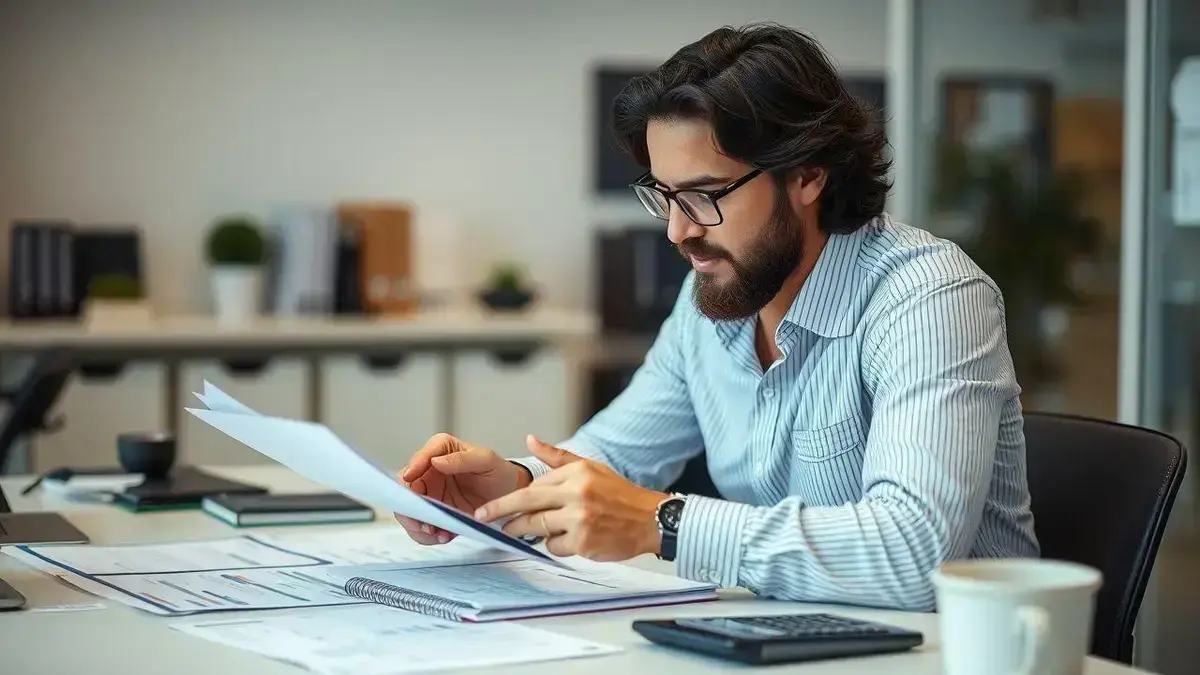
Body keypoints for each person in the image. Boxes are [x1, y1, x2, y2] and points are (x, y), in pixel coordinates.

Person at [394, 22, 1039, 612]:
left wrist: (664, 523)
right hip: (801, 640)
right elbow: (614, 456)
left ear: (808, 174)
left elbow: (917, 554)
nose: (677, 231)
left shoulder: (928, 298)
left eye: (704, 196)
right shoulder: (716, 294)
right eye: (665, 196)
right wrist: (508, 489)